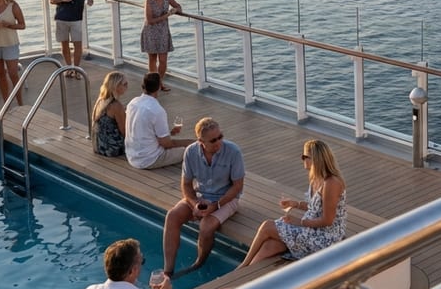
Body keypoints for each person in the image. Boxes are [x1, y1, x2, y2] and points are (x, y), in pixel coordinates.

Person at [239, 140, 346, 267]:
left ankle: (242, 266)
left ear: (316, 159)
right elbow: (315, 208)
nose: (302, 159)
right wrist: (295, 204)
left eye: (304, 156)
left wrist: (299, 222)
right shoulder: (316, 178)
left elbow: (328, 220)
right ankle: (245, 277)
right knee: (271, 245)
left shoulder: (331, 183)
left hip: (325, 238)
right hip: (311, 229)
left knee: (267, 226)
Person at [163, 117, 244, 276]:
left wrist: (215, 206)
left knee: (206, 227)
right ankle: (168, 270)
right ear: (201, 142)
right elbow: (186, 185)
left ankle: (199, 263)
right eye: (213, 140)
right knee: (172, 216)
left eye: (220, 136)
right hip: (200, 195)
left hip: (226, 198)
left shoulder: (233, 152)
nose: (218, 142)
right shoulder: (191, 152)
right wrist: (194, 205)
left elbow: (237, 186)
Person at [124, 72, 190, 169]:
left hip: (132, 155)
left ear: (143, 86)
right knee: (191, 149)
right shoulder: (157, 110)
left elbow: (143, 130)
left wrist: (169, 133)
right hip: (149, 159)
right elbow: (167, 144)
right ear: (159, 87)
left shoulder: (132, 103)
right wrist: (193, 142)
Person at [50, 0, 103, 80]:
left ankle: (77, 69)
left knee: (77, 44)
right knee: (64, 44)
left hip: (76, 19)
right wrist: (62, 0)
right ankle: (68, 68)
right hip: (61, 17)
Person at [140, 0, 181, 92]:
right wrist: (167, 15)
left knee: (163, 61)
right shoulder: (149, 0)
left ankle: (158, 82)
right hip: (151, 32)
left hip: (163, 32)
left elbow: (178, 6)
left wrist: (175, 9)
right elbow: (150, 20)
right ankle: (155, 85)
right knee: (152, 59)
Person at [92, 71, 129, 157]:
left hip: (98, 145)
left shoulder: (101, 99)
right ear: (116, 86)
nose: (127, 86)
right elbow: (124, 132)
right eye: (125, 84)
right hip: (111, 149)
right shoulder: (116, 105)